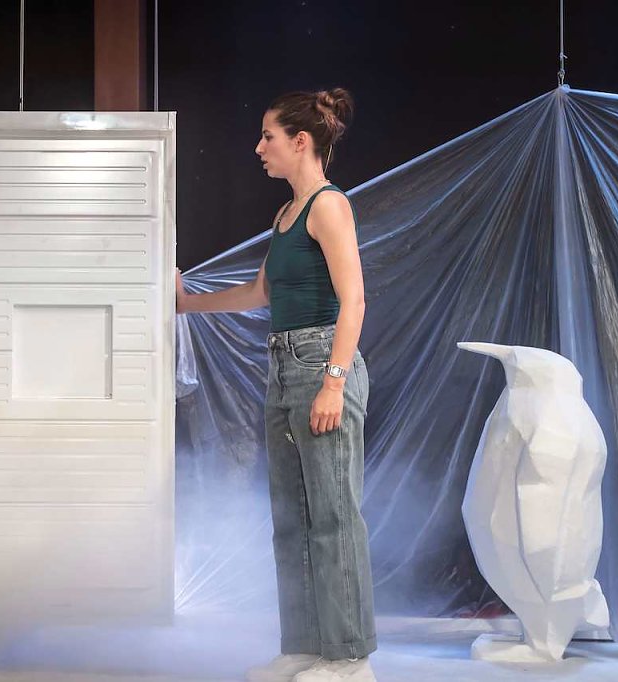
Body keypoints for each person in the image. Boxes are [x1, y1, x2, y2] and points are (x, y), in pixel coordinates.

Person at [176, 90, 376, 682]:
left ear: (300, 141)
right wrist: (185, 304)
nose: (259, 147)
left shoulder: (328, 206)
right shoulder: (286, 214)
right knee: (292, 519)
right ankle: (305, 647)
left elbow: (354, 301)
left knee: (334, 516)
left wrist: (334, 384)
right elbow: (258, 293)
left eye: (268, 136)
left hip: (322, 364)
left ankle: (349, 659)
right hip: (284, 368)